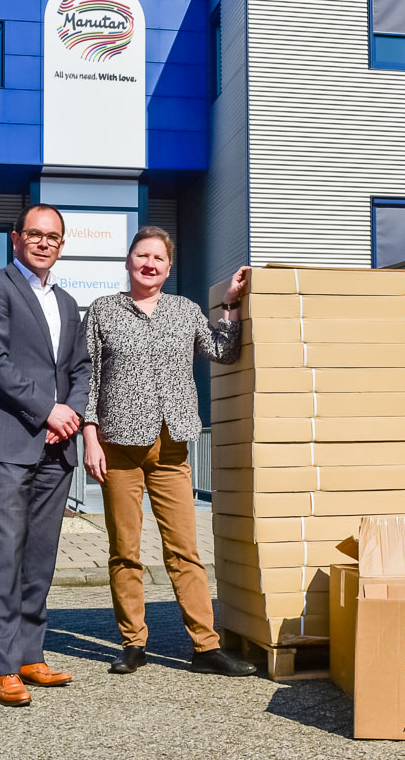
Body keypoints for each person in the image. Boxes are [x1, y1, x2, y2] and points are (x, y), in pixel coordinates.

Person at [82, 226, 255, 677]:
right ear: (128, 261)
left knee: (184, 551)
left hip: (172, 447)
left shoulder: (185, 310)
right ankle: (133, 643)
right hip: (118, 447)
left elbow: (222, 350)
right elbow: (89, 379)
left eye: (159, 258)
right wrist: (89, 436)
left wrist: (232, 304)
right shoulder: (103, 311)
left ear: (169, 267)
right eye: (142, 255)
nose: (150, 264)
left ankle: (205, 647)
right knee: (125, 551)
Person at [0, 203, 91, 706]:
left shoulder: (64, 302)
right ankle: (3, 666)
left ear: (62, 245)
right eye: (35, 234)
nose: (44, 243)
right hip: (10, 440)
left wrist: (72, 413)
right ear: (16, 239)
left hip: (57, 446)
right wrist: (48, 410)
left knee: (40, 555)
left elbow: (81, 368)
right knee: (6, 555)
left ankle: (30, 654)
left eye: (54, 237)